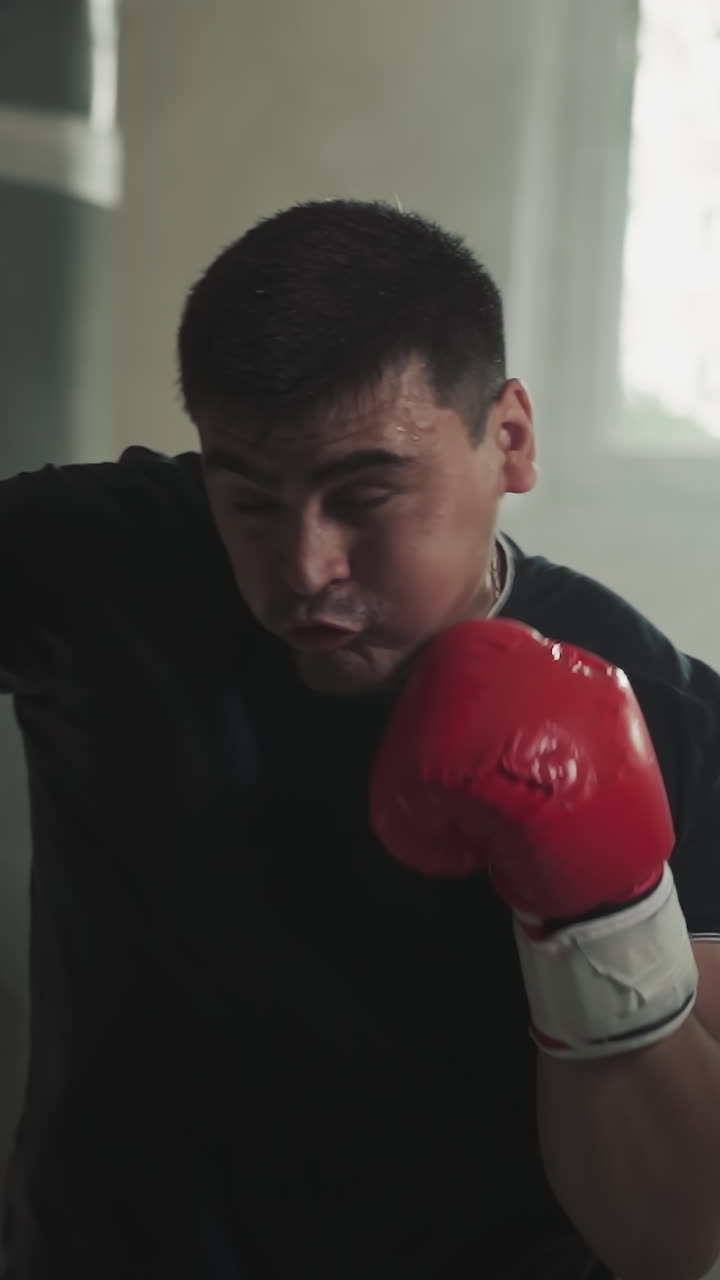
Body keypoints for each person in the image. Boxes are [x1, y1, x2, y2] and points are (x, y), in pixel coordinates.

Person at [1, 199, 720, 1280]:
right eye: (249, 499)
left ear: (509, 439)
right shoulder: (115, 562)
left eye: (366, 494)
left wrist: (602, 921)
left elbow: (675, 1236)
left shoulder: (667, 719)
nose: (304, 566)